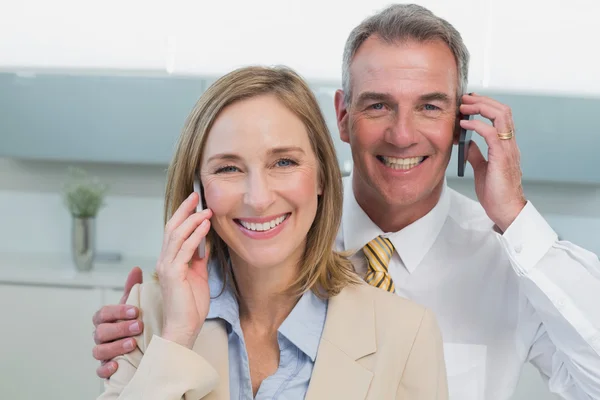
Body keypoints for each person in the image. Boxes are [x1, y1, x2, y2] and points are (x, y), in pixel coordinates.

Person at [93, 4, 600, 399]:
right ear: (342, 116)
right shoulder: (268, 223)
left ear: (460, 122)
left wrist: (515, 220)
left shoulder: (510, 263)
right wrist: (151, 343)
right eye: (378, 105)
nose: (402, 135)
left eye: (429, 107)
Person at [95, 65, 448, 399]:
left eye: (284, 162)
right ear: (197, 189)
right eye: (229, 168)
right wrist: (177, 338)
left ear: (322, 177)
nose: (259, 199)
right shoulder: (150, 313)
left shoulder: (407, 333)